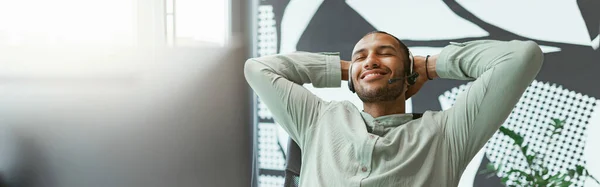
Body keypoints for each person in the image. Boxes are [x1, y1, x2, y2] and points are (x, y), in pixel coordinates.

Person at [244, 31, 543, 186]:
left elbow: (521, 57)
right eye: (361, 56)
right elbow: (258, 69)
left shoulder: (447, 135)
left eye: (385, 54)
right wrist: (347, 68)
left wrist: (428, 65)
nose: (371, 60)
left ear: (409, 70)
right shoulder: (317, 119)